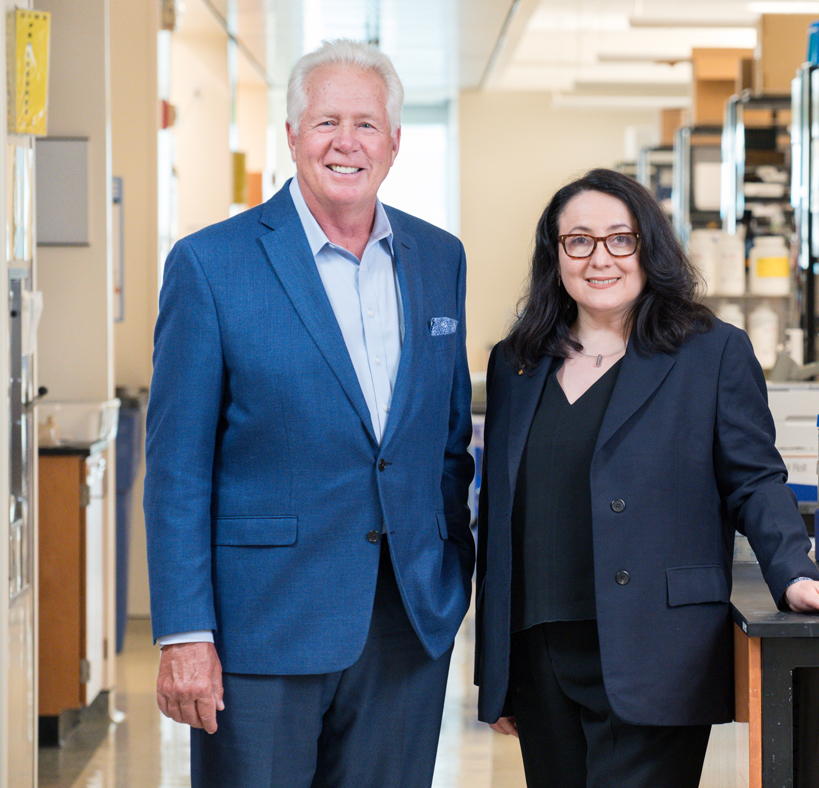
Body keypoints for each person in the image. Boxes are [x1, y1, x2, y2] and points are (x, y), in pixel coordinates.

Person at [474, 168, 819, 788]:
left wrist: (794, 573)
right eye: (578, 241)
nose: (599, 258)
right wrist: (495, 668)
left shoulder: (710, 352)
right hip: (540, 656)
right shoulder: (517, 362)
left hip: (658, 646)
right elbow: (500, 512)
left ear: (648, 247)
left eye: (620, 239)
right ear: (554, 256)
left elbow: (755, 480)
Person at [144, 39, 474, 788]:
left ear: (394, 142)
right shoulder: (211, 264)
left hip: (406, 621)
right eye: (326, 122)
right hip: (262, 629)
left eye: (365, 124)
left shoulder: (438, 257)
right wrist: (186, 633)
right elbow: (177, 468)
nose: (345, 143)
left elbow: (447, 443)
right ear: (292, 136)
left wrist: (451, 577)